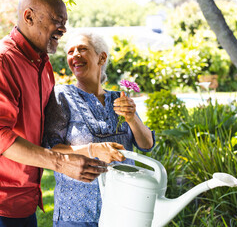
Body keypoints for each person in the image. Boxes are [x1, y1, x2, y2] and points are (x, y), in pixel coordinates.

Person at [0, 0, 124, 227]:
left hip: (24, 197)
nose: (63, 30)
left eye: (64, 23)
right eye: (56, 21)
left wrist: (92, 148)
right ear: (29, 16)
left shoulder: (43, 67)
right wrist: (61, 162)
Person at [42, 31, 155, 227]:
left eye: (82, 49)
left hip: (123, 208)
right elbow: (52, 150)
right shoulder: (62, 96)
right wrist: (92, 149)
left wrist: (132, 119)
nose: (75, 55)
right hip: (76, 211)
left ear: (101, 57)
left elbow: (147, 144)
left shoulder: (118, 98)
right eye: (70, 51)